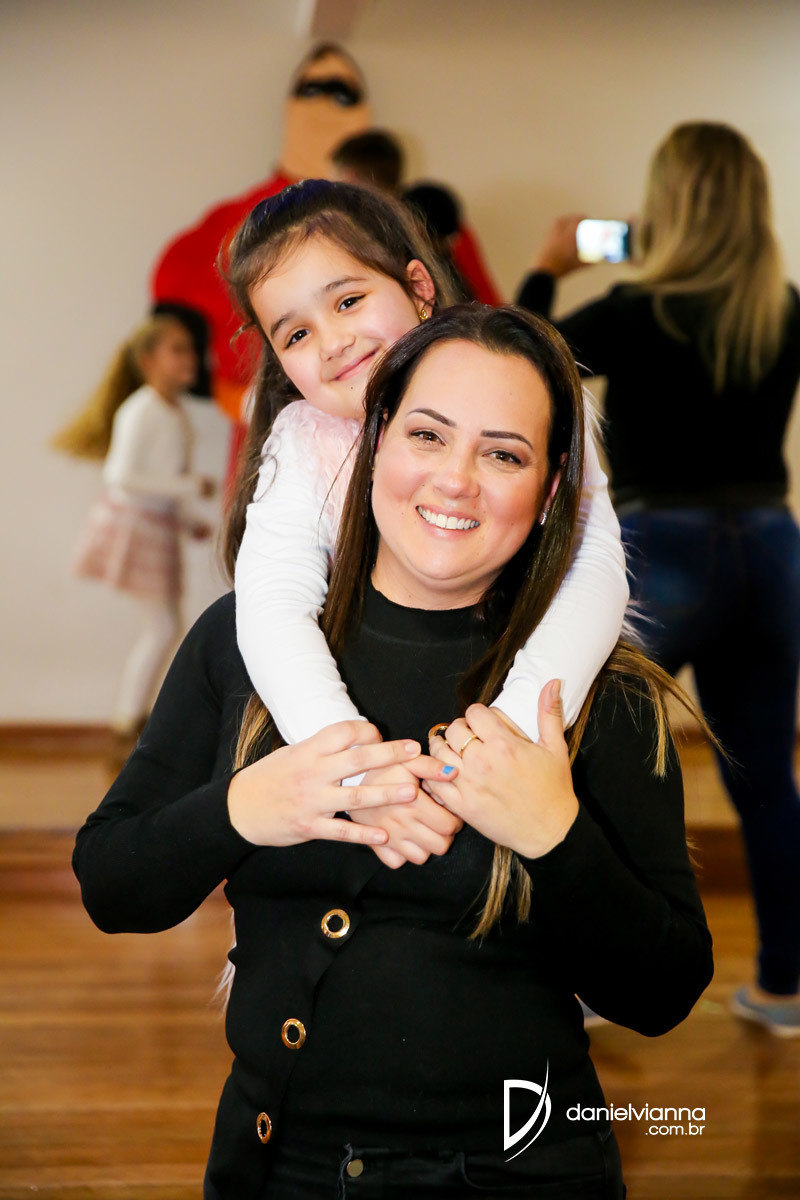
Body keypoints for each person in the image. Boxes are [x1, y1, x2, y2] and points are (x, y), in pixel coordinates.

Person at [73, 304, 713, 1198]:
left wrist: (555, 835)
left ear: (551, 490)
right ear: (373, 441)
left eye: (503, 455)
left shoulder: (602, 690)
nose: (456, 480)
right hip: (275, 1166)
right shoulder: (243, 642)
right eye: (427, 435)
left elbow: (664, 993)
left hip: (520, 1172)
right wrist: (245, 809)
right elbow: (111, 886)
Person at [226, 181, 629, 865]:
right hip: (371, 741)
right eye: (296, 334)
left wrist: (507, 737)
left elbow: (592, 570)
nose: (333, 343)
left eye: (347, 301)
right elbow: (272, 603)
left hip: (502, 710)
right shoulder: (303, 440)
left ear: (419, 287)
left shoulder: (529, 390)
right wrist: (360, 775)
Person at [516, 121, 800, 1036]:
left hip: (663, 551)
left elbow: (520, 366)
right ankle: (788, 989)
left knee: (593, 762)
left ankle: (596, 985)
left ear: (665, 206)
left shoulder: (637, 309)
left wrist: (548, 267)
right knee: (767, 782)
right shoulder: (784, 309)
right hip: (773, 550)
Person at [54, 315, 216, 749]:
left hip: (155, 527)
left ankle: (131, 721)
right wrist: (189, 487)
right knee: (162, 626)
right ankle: (128, 723)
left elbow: (158, 479)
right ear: (148, 360)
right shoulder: (141, 410)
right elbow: (121, 476)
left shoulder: (173, 412)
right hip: (135, 529)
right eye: (177, 349)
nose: (189, 358)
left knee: (164, 626)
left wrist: (187, 518)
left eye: (190, 349)